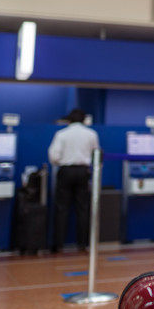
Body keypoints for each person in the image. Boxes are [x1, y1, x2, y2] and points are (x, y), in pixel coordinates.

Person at [48, 108, 99, 253]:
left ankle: (59, 245)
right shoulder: (91, 134)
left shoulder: (61, 134)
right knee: (83, 208)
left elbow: (54, 156)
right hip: (84, 171)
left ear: (69, 120)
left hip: (66, 171)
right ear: (84, 120)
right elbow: (96, 154)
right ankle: (82, 244)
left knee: (62, 208)